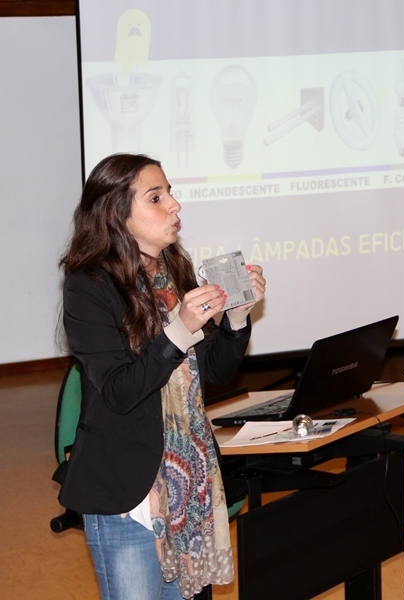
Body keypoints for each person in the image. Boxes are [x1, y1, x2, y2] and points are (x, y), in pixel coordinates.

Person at [57, 153, 266, 600]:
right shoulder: (88, 286)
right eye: (156, 198)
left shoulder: (175, 272)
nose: (174, 205)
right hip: (127, 492)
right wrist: (179, 330)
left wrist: (236, 319)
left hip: (187, 482)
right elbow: (120, 391)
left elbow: (213, 372)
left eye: (170, 192)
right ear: (117, 213)